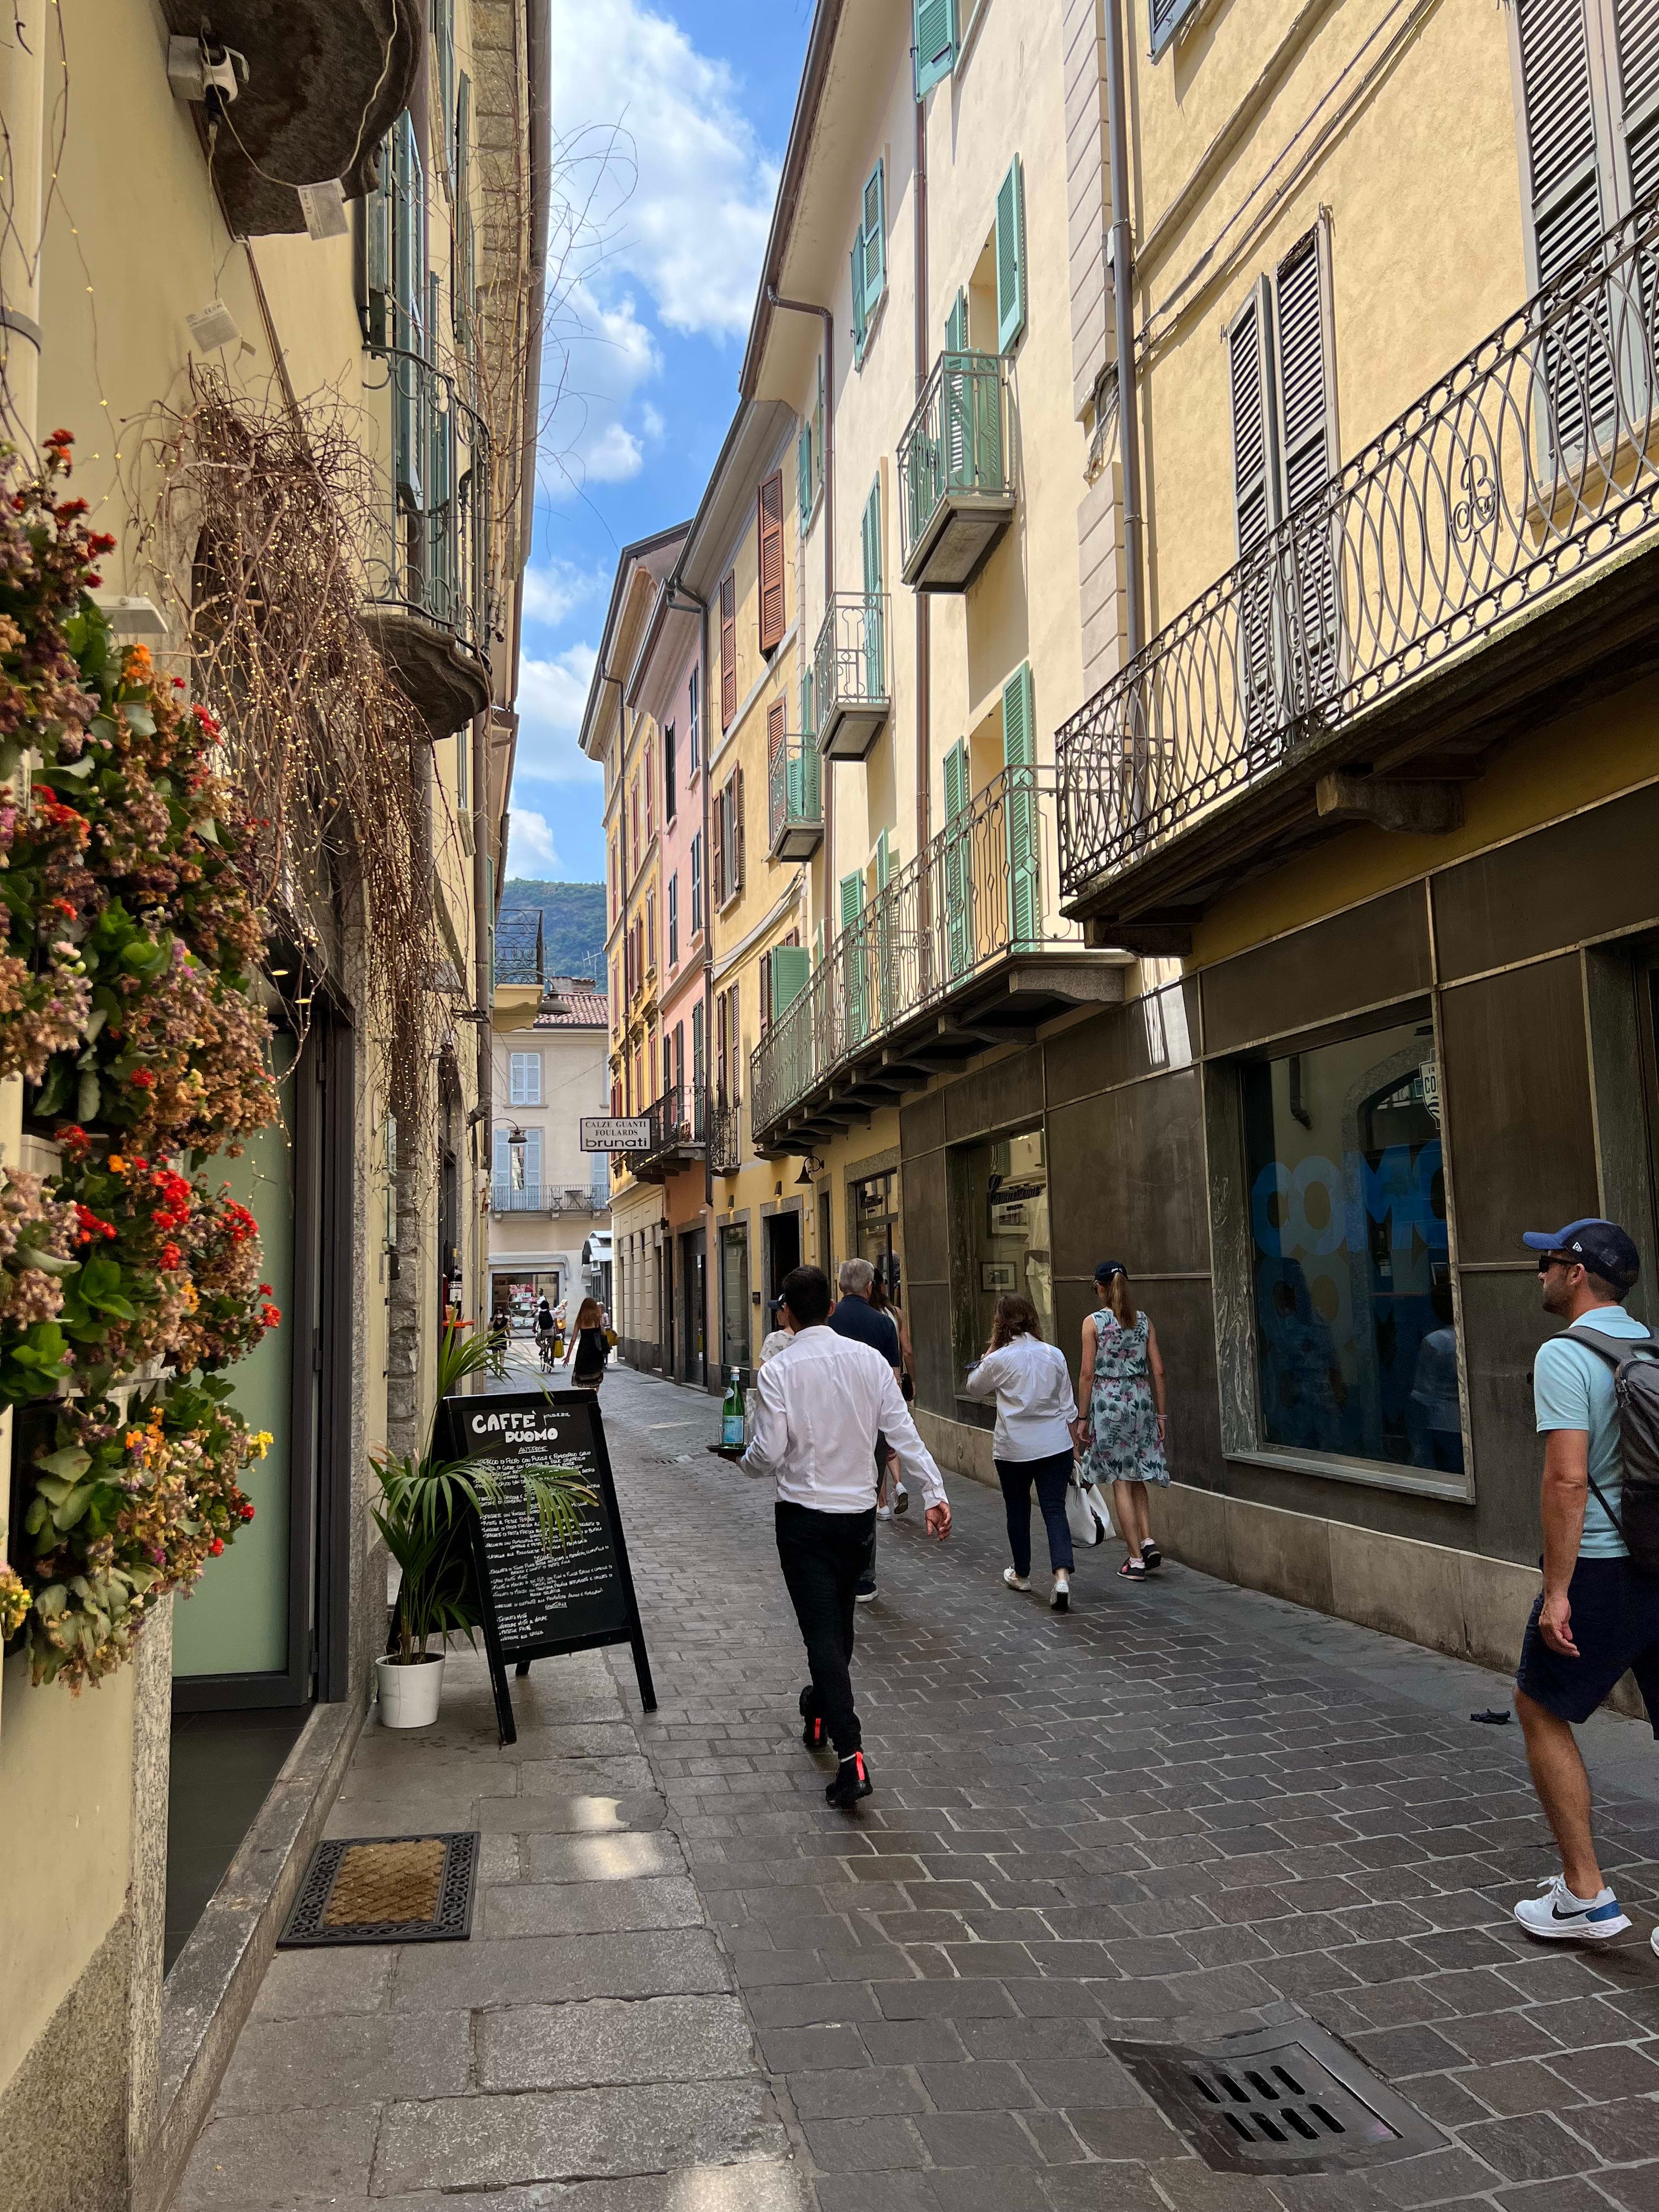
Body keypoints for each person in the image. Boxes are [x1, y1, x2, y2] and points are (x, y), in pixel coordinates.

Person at [740, 1263, 951, 1807]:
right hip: (857, 1518)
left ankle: (851, 1755)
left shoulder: (778, 1372)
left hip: (804, 1519)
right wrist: (935, 1492)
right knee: (839, 1627)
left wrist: (743, 1463)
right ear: (830, 1308)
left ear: (787, 1312)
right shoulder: (870, 1363)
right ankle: (817, 1709)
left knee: (822, 1636)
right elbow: (902, 1430)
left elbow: (766, 1454)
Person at [1510, 1218, 1658, 1950]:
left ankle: (1585, 1895)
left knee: (1538, 1705)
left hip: (1601, 1565)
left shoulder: (1565, 1355)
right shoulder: (1652, 1343)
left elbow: (1567, 1478)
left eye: (1547, 1260)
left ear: (1576, 1272)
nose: (1538, 1271)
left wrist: (1558, 1591)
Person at [964, 1294, 1079, 1609]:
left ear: (1000, 1323)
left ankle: (1023, 1573)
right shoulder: (1054, 1354)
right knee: (1054, 1510)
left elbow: (973, 1385)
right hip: (1055, 1445)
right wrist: (1076, 1448)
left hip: (1013, 1449)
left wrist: (990, 1349)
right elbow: (1068, 1406)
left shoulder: (1000, 1359)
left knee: (1017, 1509)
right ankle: (1061, 1577)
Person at [1075, 1260, 1169, 1579]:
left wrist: (1082, 1417)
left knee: (1120, 1479)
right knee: (1138, 1474)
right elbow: (1159, 1370)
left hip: (1109, 1403)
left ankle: (1135, 1560)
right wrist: (1161, 1415)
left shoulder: (1093, 1323)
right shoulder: (1144, 1322)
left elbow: (1087, 1374)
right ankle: (1147, 1539)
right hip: (1142, 1401)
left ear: (1101, 1289)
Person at [829, 1258, 902, 1600]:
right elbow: (894, 1382)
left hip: (832, 1421)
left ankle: (834, 1569)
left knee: (832, 1491)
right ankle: (863, 1578)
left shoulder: (826, 1322)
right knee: (866, 1497)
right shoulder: (883, 1324)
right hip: (871, 1424)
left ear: (841, 1285)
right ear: (870, 1287)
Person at [870, 1261, 913, 1520]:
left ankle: (882, 1502)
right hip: (895, 1383)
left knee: (878, 1442)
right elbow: (907, 1349)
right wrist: (912, 1379)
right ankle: (900, 1483)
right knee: (891, 1437)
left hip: (875, 1384)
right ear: (883, 1286)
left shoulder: (868, 1316)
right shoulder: (895, 1312)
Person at [565, 1297, 610, 1392]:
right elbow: (602, 1332)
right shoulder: (597, 1318)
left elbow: (573, 1339)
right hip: (595, 1349)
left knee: (584, 1374)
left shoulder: (580, 1319)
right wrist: (600, 1317)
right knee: (596, 1374)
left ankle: (588, 1396)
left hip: (584, 1349)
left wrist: (568, 1356)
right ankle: (594, 1395)